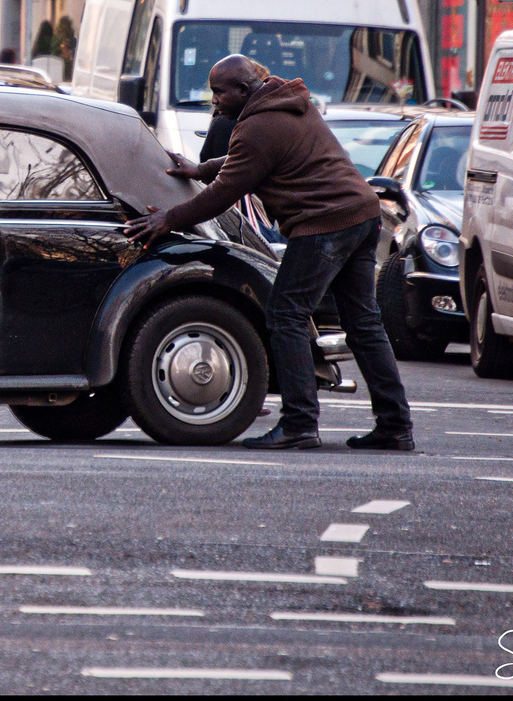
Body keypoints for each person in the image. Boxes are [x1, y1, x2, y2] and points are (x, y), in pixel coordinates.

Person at [124, 54, 414, 452]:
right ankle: (396, 426)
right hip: (360, 214)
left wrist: (167, 220)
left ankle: (298, 425)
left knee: (285, 313)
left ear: (243, 90)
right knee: (364, 324)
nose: (214, 102)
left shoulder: (257, 126)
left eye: (218, 92)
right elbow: (250, 162)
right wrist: (202, 169)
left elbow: (225, 192)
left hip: (324, 223)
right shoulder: (287, 101)